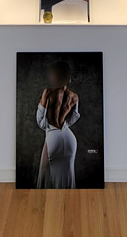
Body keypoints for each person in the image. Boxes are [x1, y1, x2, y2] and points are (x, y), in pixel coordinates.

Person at [36, 61, 80, 189]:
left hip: (53, 136)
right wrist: (64, 125)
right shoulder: (74, 96)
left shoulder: (48, 93)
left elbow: (40, 120)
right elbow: (74, 116)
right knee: (68, 173)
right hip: (69, 138)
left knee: (45, 176)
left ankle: (48, 200)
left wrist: (50, 128)